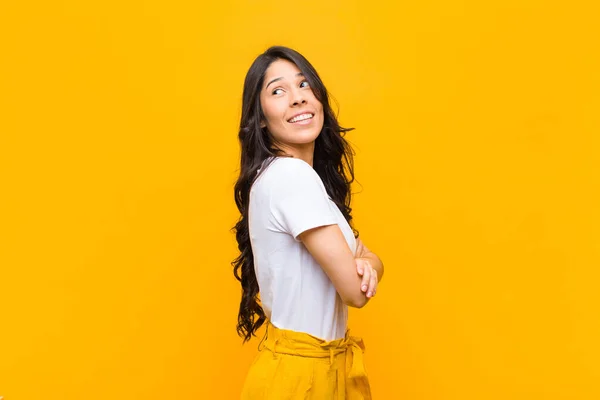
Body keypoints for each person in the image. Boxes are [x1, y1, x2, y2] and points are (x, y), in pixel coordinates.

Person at [231, 45, 384, 399]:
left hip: (311, 370)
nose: (297, 99)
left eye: (303, 85)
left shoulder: (294, 180)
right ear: (260, 117)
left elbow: (363, 264)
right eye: (278, 91)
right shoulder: (290, 177)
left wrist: (367, 261)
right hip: (302, 379)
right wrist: (367, 262)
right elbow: (355, 290)